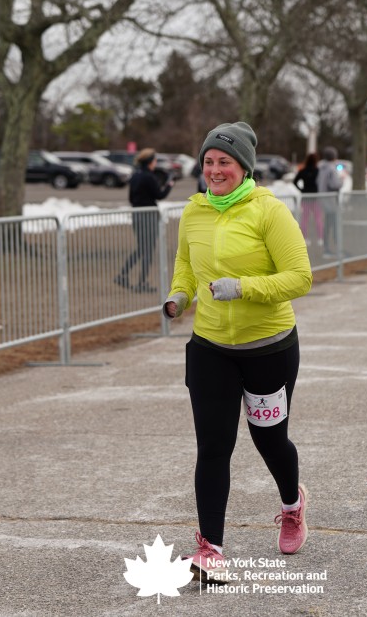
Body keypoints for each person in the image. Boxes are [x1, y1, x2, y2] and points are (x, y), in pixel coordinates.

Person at [162, 122, 312, 584]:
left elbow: (300, 277)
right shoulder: (194, 211)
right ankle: (211, 550)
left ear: (244, 166)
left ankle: (293, 505)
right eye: (208, 161)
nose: (214, 170)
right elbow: (186, 263)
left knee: (270, 441)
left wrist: (243, 288)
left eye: (224, 161)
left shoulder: (269, 212)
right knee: (213, 446)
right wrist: (180, 294)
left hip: (268, 348)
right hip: (210, 347)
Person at [115, 148, 174, 293]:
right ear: (150, 162)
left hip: (137, 215)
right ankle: (142, 282)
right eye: (154, 161)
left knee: (141, 248)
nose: (155, 163)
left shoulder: (135, 175)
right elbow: (159, 195)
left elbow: (131, 198)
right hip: (149, 216)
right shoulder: (149, 177)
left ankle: (123, 274)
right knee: (148, 251)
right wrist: (169, 186)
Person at [316, 146, 345, 256]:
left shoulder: (321, 168)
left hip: (322, 200)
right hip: (331, 201)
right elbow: (334, 184)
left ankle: (327, 248)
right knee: (334, 225)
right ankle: (335, 249)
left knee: (327, 225)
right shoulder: (331, 169)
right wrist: (342, 180)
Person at [293, 152, 323, 245]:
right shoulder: (317, 171)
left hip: (305, 197)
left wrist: (301, 189)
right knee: (318, 218)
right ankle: (320, 238)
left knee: (305, 219)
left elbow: (295, 181)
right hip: (315, 197)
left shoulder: (303, 170)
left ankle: (305, 238)